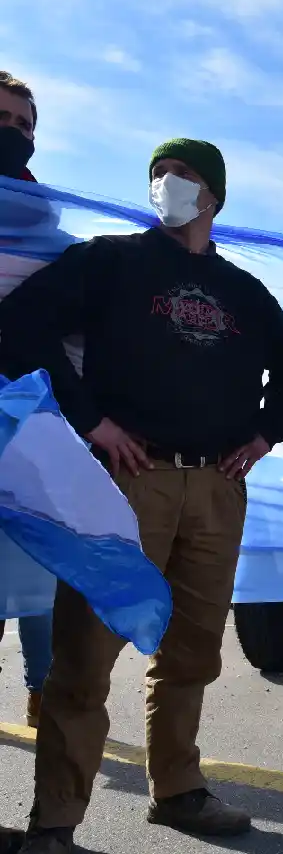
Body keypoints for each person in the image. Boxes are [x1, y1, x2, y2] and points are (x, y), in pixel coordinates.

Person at [0, 138, 283, 853]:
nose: (167, 185)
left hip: (216, 489)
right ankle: (55, 823)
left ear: (215, 198)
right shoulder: (111, 261)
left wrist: (264, 437)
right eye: (158, 175)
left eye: (184, 176)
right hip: (125, 485)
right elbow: (19, 329)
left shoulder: (243, 291)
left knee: (192, 655)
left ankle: (177, 790)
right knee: (84, 657)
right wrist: (92, 421)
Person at [0, 70, 54, 735]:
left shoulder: (44, 218)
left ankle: (43, 694)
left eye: (23, 126)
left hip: (25, 423)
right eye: (2, 119)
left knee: (39, 568)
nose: (13, 133)